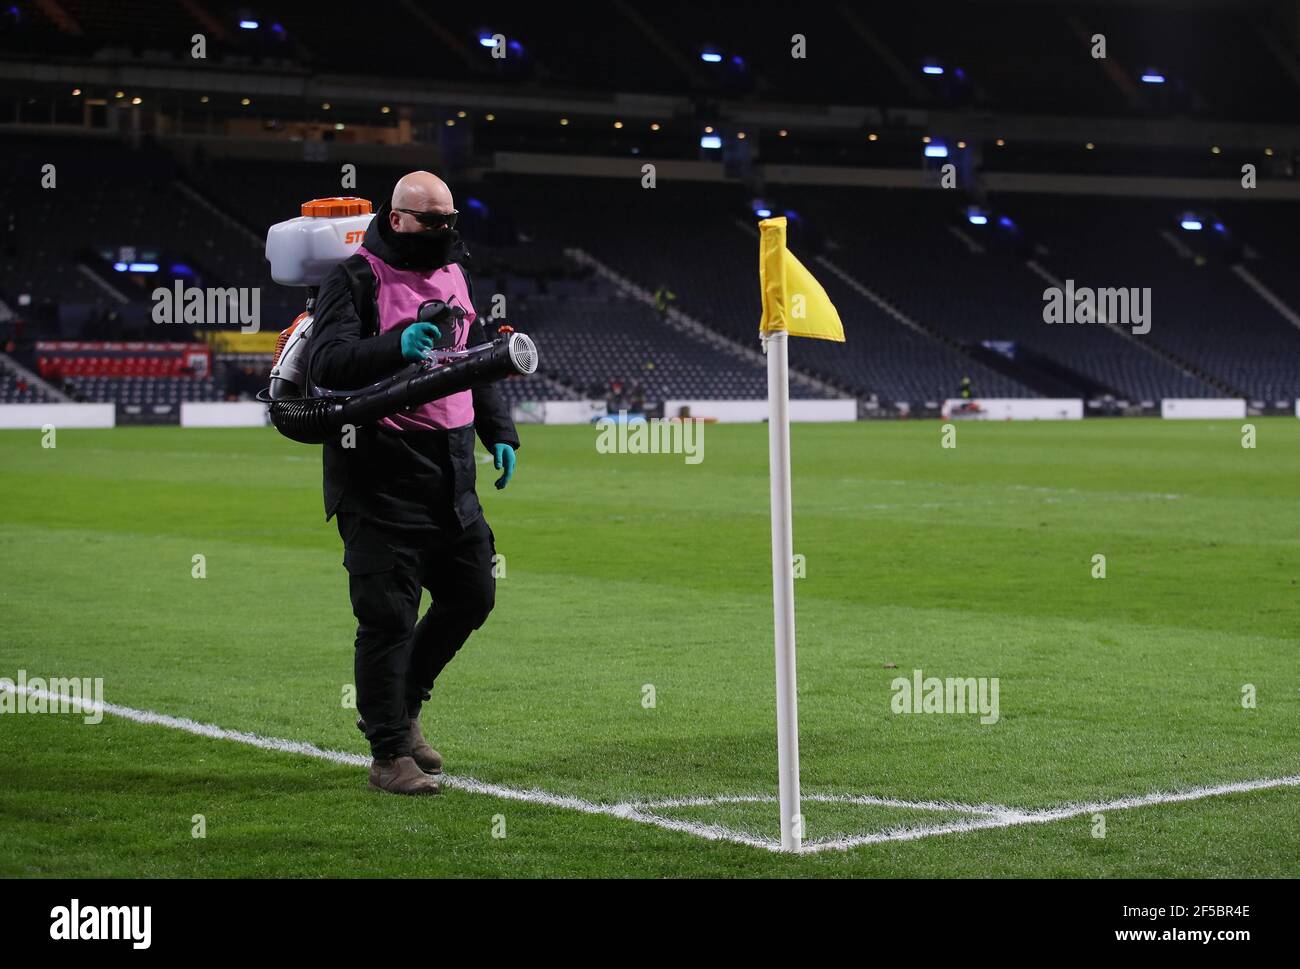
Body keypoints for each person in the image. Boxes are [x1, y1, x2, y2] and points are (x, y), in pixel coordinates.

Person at [309, 171, 521, 796]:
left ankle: (405, 706)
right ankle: (388, 755)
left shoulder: (455, 273)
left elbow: (475, 355)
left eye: (450, 220)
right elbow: (329, 363)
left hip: (450, 471)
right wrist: (397, 343)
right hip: (379, 472)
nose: (444, 231)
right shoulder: (354, 277)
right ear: (398, 218)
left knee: (472, 595)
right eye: (432, 221)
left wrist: (500, 433)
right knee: (388, 617)